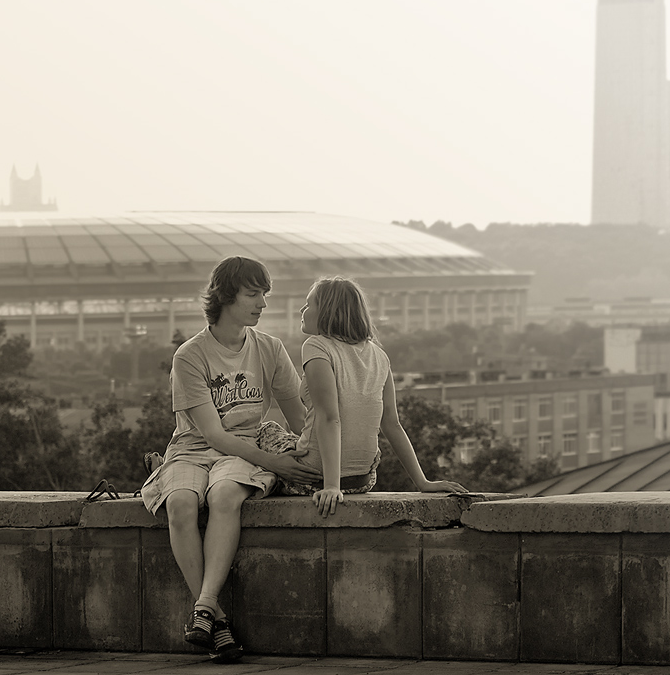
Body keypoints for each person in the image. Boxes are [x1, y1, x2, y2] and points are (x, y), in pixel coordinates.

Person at [140, 256, 320, 663]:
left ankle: (202, 609)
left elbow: (300, 418)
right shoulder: (190, 355)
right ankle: (216, 617)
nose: (263, 304)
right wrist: (274, 464)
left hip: (245, 447)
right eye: (253, 294)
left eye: (264, 295)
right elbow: (212, 434)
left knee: (224, 497)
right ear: (225, 296)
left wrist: (321, 464)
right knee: (182, 503)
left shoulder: (270, 349)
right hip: (193, 447)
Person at [277, 275, 466, 516]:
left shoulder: (316, 346)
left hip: (313, 479)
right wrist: (423, 483)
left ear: (326, 311)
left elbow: (329, 418)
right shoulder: (379, 355)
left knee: (266, 433)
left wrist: (332, 486)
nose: (302, 309)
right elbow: (393, 424)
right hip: (361, 481)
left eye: (309, 303)